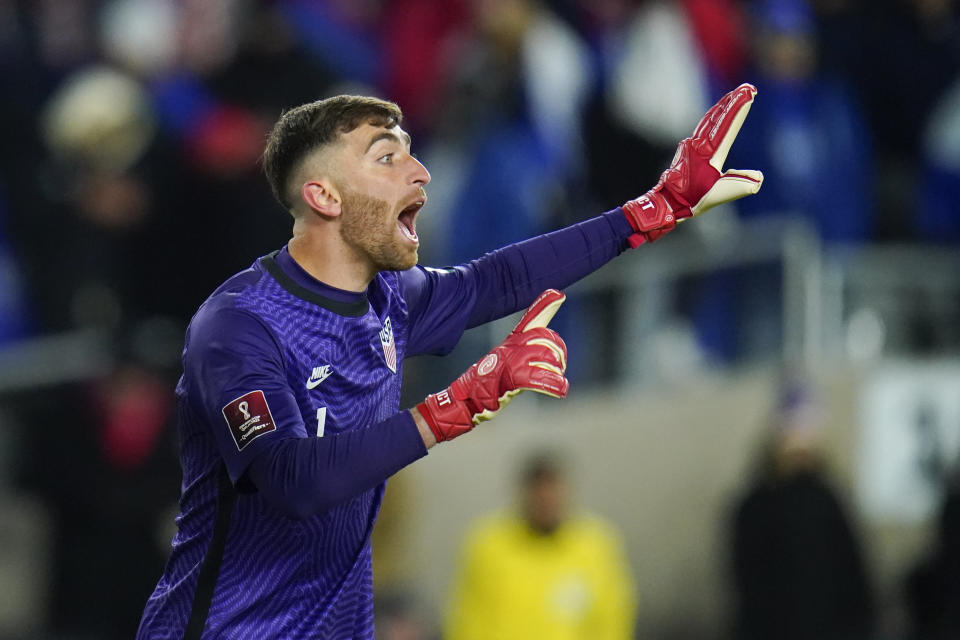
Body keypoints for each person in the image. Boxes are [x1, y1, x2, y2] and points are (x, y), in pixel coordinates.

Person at [136, 85, 763, 639]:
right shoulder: (239, 327)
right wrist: (456, 407)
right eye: (387, 157)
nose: (422, 171)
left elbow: (500, 278)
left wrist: (654, 210)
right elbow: (294, 483)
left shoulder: (387, 299)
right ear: (323, 195)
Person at [728, 381, 874, 640]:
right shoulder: (755, 506)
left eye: (805, 427)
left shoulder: (829, 501)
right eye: (791, 427)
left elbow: (855, 581)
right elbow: (747, 587)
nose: (798, 438)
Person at [444, 451, 636, 640]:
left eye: (552, 494)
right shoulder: (488, 544)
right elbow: (467, 620)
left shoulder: (596, 545)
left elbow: (613, 619)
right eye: (539, 495)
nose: (546, 503)